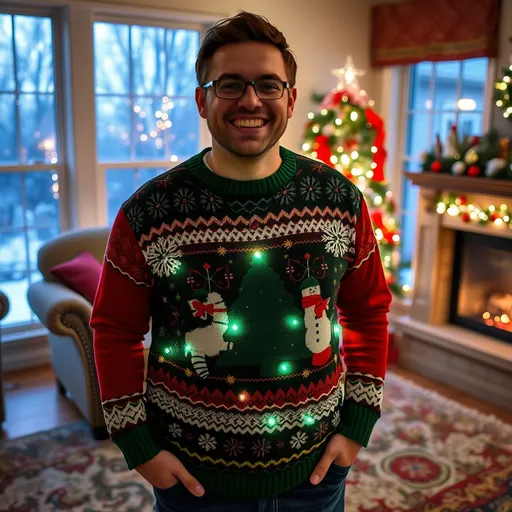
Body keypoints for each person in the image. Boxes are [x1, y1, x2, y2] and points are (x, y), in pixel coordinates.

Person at [90, 10, 392, 512]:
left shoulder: (340, 201)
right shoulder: (148, 213)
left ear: (290, 100)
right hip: (193, 481)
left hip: (315, 474)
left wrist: (357, 427)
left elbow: (368, 312)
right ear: (201, 100)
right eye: (229, 84)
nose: (250, 100)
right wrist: (139, 448)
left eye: (268, 85)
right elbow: (114, 330)